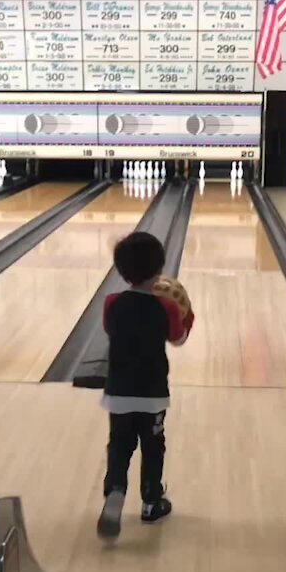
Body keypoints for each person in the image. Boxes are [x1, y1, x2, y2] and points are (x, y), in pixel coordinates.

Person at [97, 231, 194, 539]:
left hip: (118, 393)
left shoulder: (112, 303)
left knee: (120, 444)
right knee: (153, 446)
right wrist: (187, 316)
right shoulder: (166, 308)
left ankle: (115, 491)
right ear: (159, 267)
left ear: (122, 271)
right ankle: (151, 502)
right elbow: (178, 340)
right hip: (152, 394)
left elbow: (111, 330)